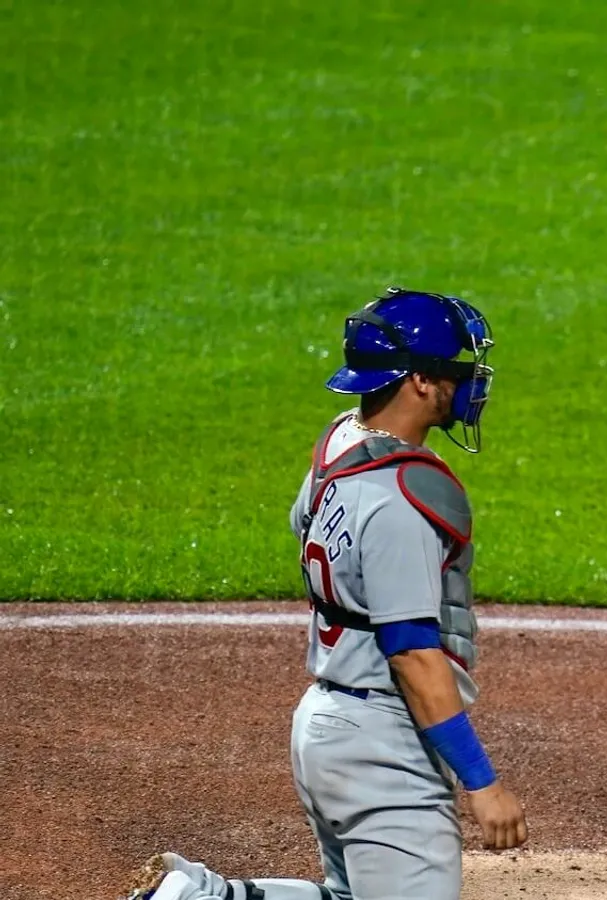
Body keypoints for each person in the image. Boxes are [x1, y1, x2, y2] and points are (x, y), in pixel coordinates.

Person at [125, 288, 526, 900]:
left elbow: (304, 526)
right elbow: (413, 655)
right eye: (456, 369)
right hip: (382, 746)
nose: (469, 381)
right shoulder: (402, 500)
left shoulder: (338, 445)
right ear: (419, 380)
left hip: (327, 723)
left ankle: (202, 898)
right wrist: (481, 782)